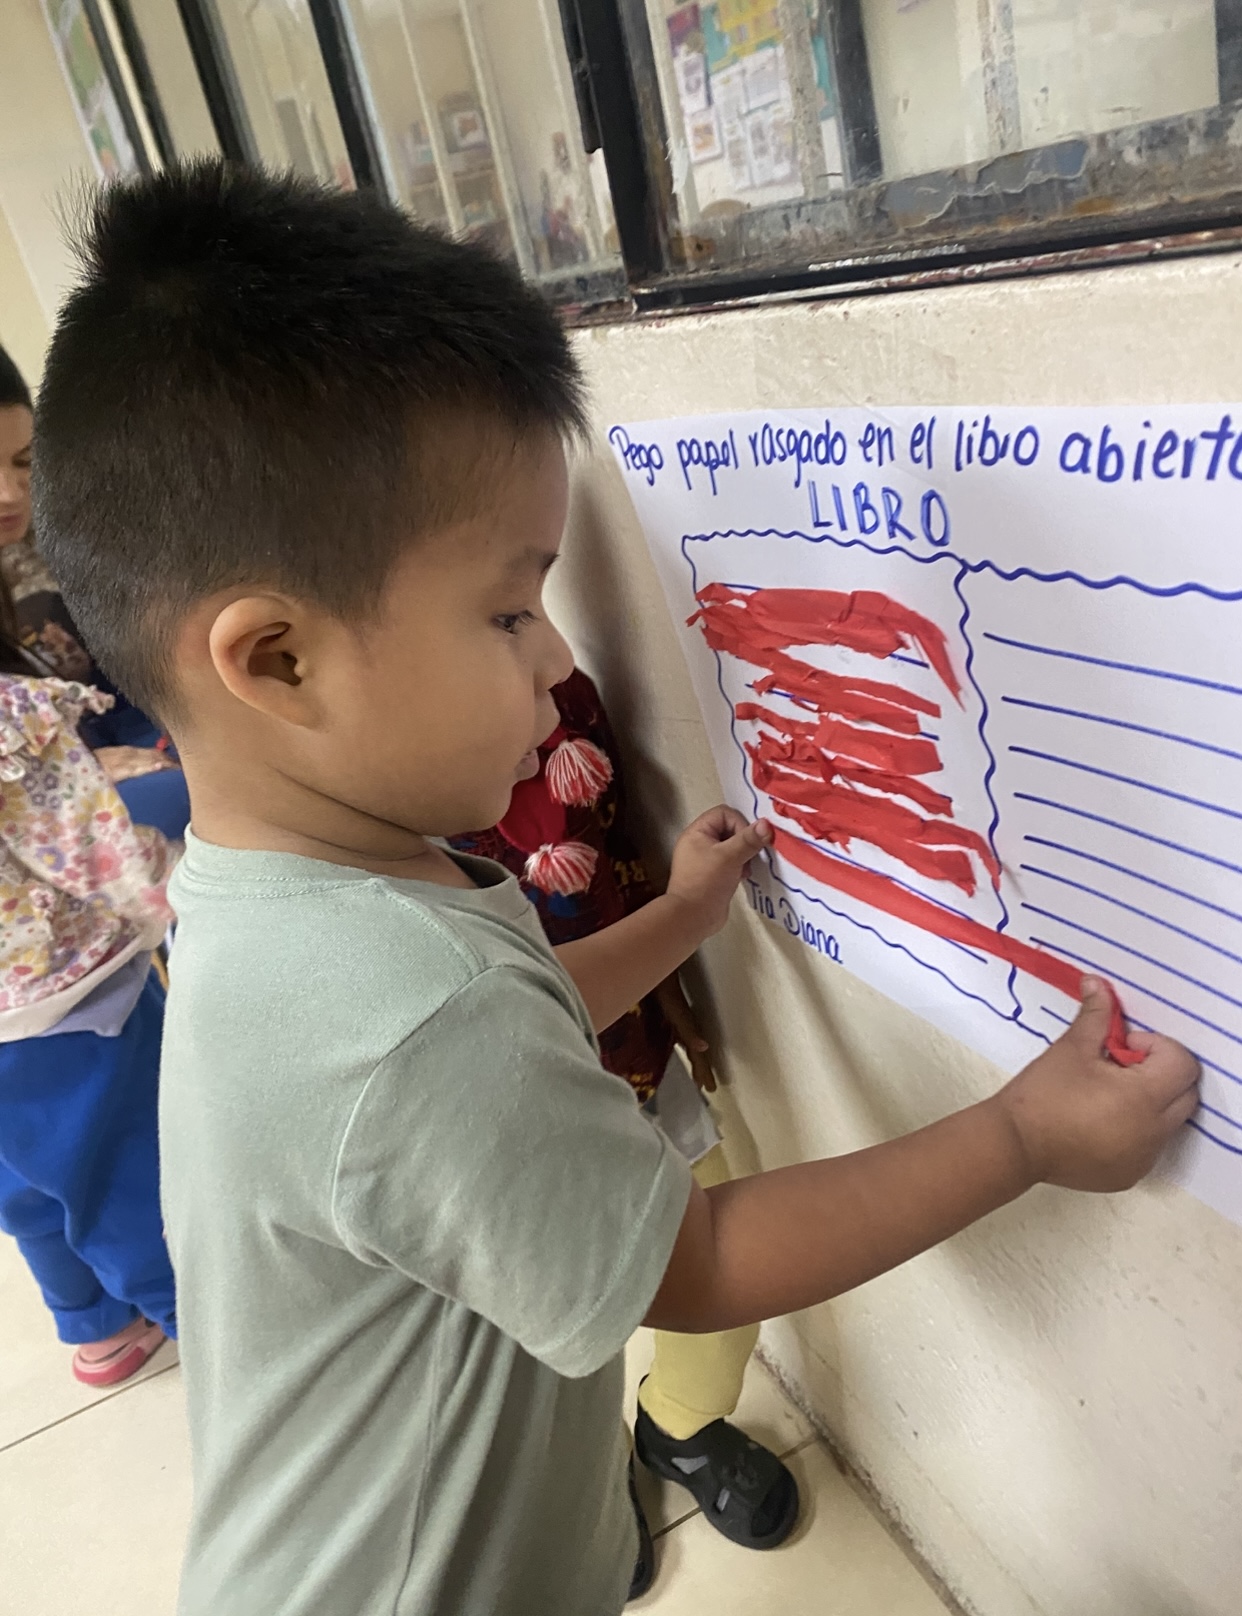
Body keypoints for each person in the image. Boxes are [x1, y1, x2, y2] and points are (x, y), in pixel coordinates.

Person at [32, 159, 1199, 1616]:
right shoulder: (411, 1012)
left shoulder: (278, 885)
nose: (556, 657)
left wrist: (683, 920)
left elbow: (504, 1018)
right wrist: (1021, 1132)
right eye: (507, 609)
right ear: (280, 660)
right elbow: (696, 1258)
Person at [449, 666, 797, 1548]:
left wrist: (670, 983)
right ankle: (581, 1475)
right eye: (504, 619)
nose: (546, 651)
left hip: (634, 1054)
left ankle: (679, 1422)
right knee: (545, 1324)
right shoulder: (360, 824)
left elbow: (613, 855)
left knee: (718, 1248)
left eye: (534, 608)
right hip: (491, 1122)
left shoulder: (561, 701)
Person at [0, 672, 177, 1385]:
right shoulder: (9, 720)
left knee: (27, 1188)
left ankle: (99, 1327)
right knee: (126, 1180)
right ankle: (209, 1323)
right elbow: (92, 851)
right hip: (62, 1008)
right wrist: (179, 876)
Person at [0, 343, 190, 841]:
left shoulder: (60, 530)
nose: (10, 493)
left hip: (123, 724)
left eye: (23, 461)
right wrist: (74, 771)